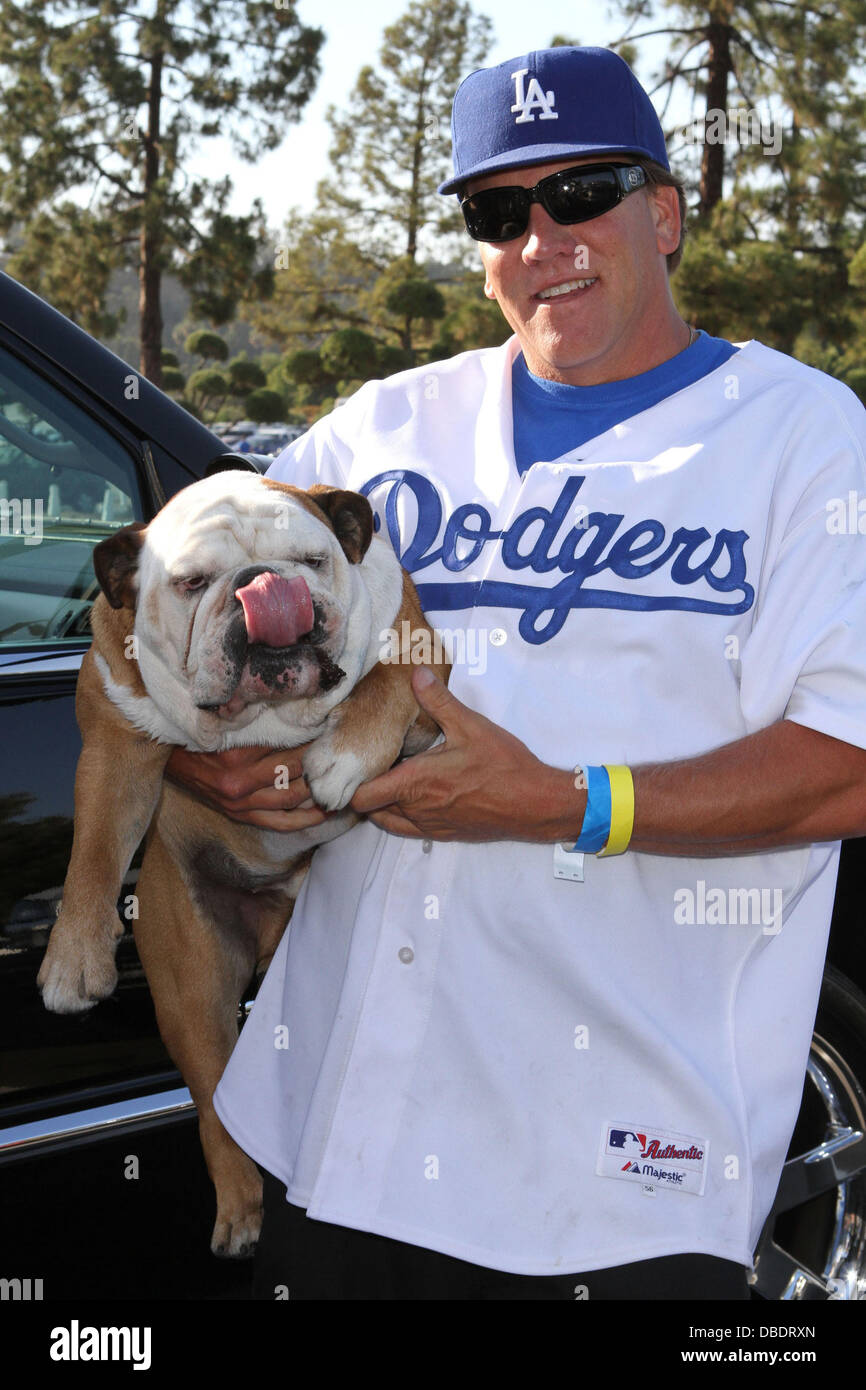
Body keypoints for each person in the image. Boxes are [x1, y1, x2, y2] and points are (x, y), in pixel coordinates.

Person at [167, 46, 866, 1300]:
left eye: (582, 192)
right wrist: (227, 765)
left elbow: (843, 769)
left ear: (661, 213)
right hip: (341, 1125)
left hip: (622, 1165)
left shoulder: (806, 438)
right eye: (500, 211)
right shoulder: (379, 430)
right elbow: (171, 622)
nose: (543, 236)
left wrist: (566, 802)